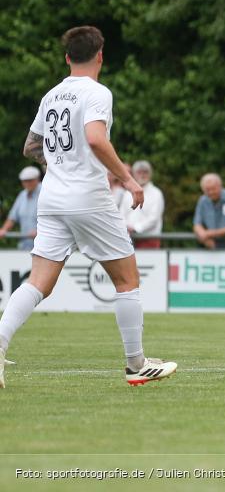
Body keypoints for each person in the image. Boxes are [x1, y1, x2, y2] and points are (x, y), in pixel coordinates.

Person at [0, 25, 175, 389]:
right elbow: (95, 138)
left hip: (52, 199)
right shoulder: (96, 92)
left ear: (67, 58)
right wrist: (127, 179)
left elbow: (31, 147)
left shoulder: (51, 96)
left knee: (38, 282)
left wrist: (60, 164)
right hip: (88, 198)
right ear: (100, 56)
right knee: (127, 279)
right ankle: (135, 364)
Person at [119, 160, 164, 249]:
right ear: (134, 174)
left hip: (149, 240)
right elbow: (121, 214)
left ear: (150, 174)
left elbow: (154, 218)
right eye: (139, 172)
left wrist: (135, 229)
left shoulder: (156, 193)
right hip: (127, 239)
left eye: (145, 172)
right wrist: (126, 228)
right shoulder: (127, 193)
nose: (142, 175)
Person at [193, 173, 225, 249]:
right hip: (211, 245)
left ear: (220, 186)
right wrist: (203, 236)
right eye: (207, 190)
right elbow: (197, 224)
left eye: (213, 189)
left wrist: (209, 234)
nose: (211, 192)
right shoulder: (202, 200)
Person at [0, 167, 42, 251]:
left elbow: (55, 217)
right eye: (24, 181)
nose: (27, 183)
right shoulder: (22, 195)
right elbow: (12, 218)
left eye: (30, 180)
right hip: (24, 246)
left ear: (37, 179)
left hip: (44, 247)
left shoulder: (46, 192)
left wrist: (40, 231)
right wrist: (3, 230)